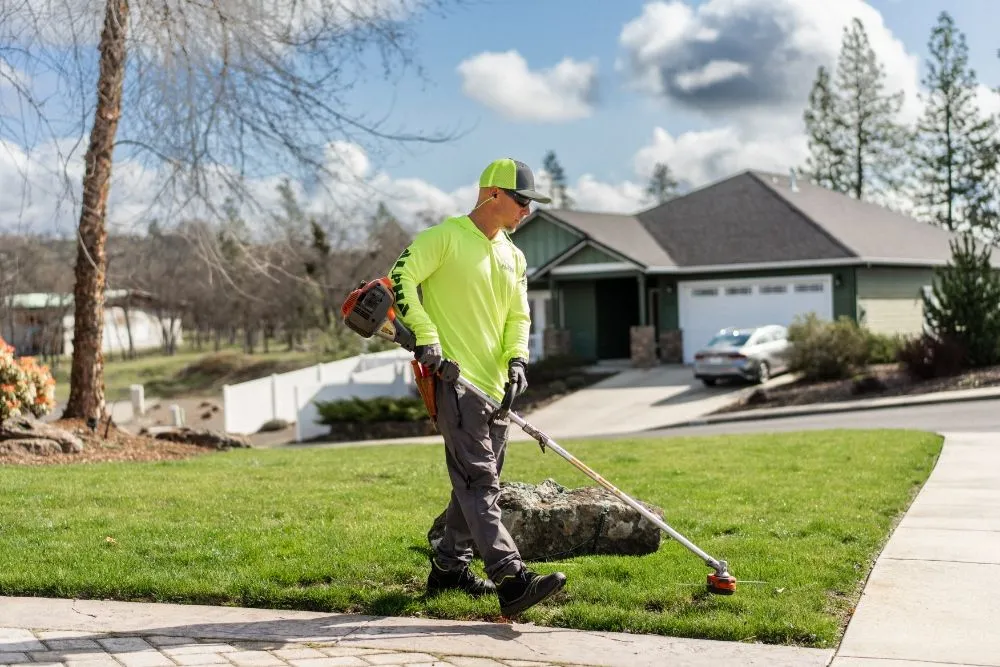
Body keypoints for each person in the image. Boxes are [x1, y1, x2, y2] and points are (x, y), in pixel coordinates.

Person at [388, 158, 567, 617]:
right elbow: (401, 277)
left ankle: (449, 569)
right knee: (480, 481)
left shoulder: (513, 255)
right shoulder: (444, 237)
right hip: (454, 381)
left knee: (472, 485)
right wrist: (425, 335)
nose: (526, 210)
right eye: (521, 200)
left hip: (496, 388)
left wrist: (517, 361)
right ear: (493, 195)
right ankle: (510, 578)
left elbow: (518, 316)